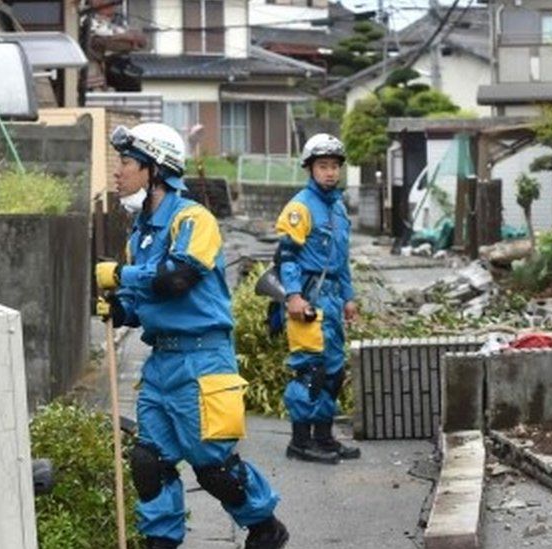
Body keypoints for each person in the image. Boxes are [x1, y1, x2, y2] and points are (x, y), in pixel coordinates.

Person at [94, 122, 289, 549]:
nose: (118, 172)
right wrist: (117, 307)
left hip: (204, 362)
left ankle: (264, 526)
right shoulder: (139, 234)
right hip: (161, 362)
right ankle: (161, 540)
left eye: (126, 163)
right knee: (149, 461)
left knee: (212, 466)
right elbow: (141, 305)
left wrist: (122, 274)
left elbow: (176, 280)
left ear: (155, 169)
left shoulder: (193, 219)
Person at [273, 133, 360, 464]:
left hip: (334, 297)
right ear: (309, 169)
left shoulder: (337, 207)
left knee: (334, 372)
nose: (330, 172)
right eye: (323, 166)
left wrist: (349, 297)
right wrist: (293, 296)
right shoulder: (300, 207)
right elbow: (287, 256)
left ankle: (323, 439)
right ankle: (299, 442)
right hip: (308, 297)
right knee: (311, 371)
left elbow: (342, 259)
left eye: (335, 166)